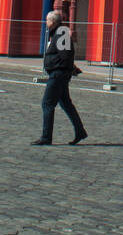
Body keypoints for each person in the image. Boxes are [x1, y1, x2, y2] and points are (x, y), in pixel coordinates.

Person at [32, 10, 87, 146]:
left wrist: (60, 66)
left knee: (47, 104)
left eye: (48, 21)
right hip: (59, 74)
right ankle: (80, 132)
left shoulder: (61, 32)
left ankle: (46, 137)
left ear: (53, 22)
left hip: (58, 75)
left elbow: (65, 55)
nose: (46, 23)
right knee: (66, 104)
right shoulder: (59, 32)